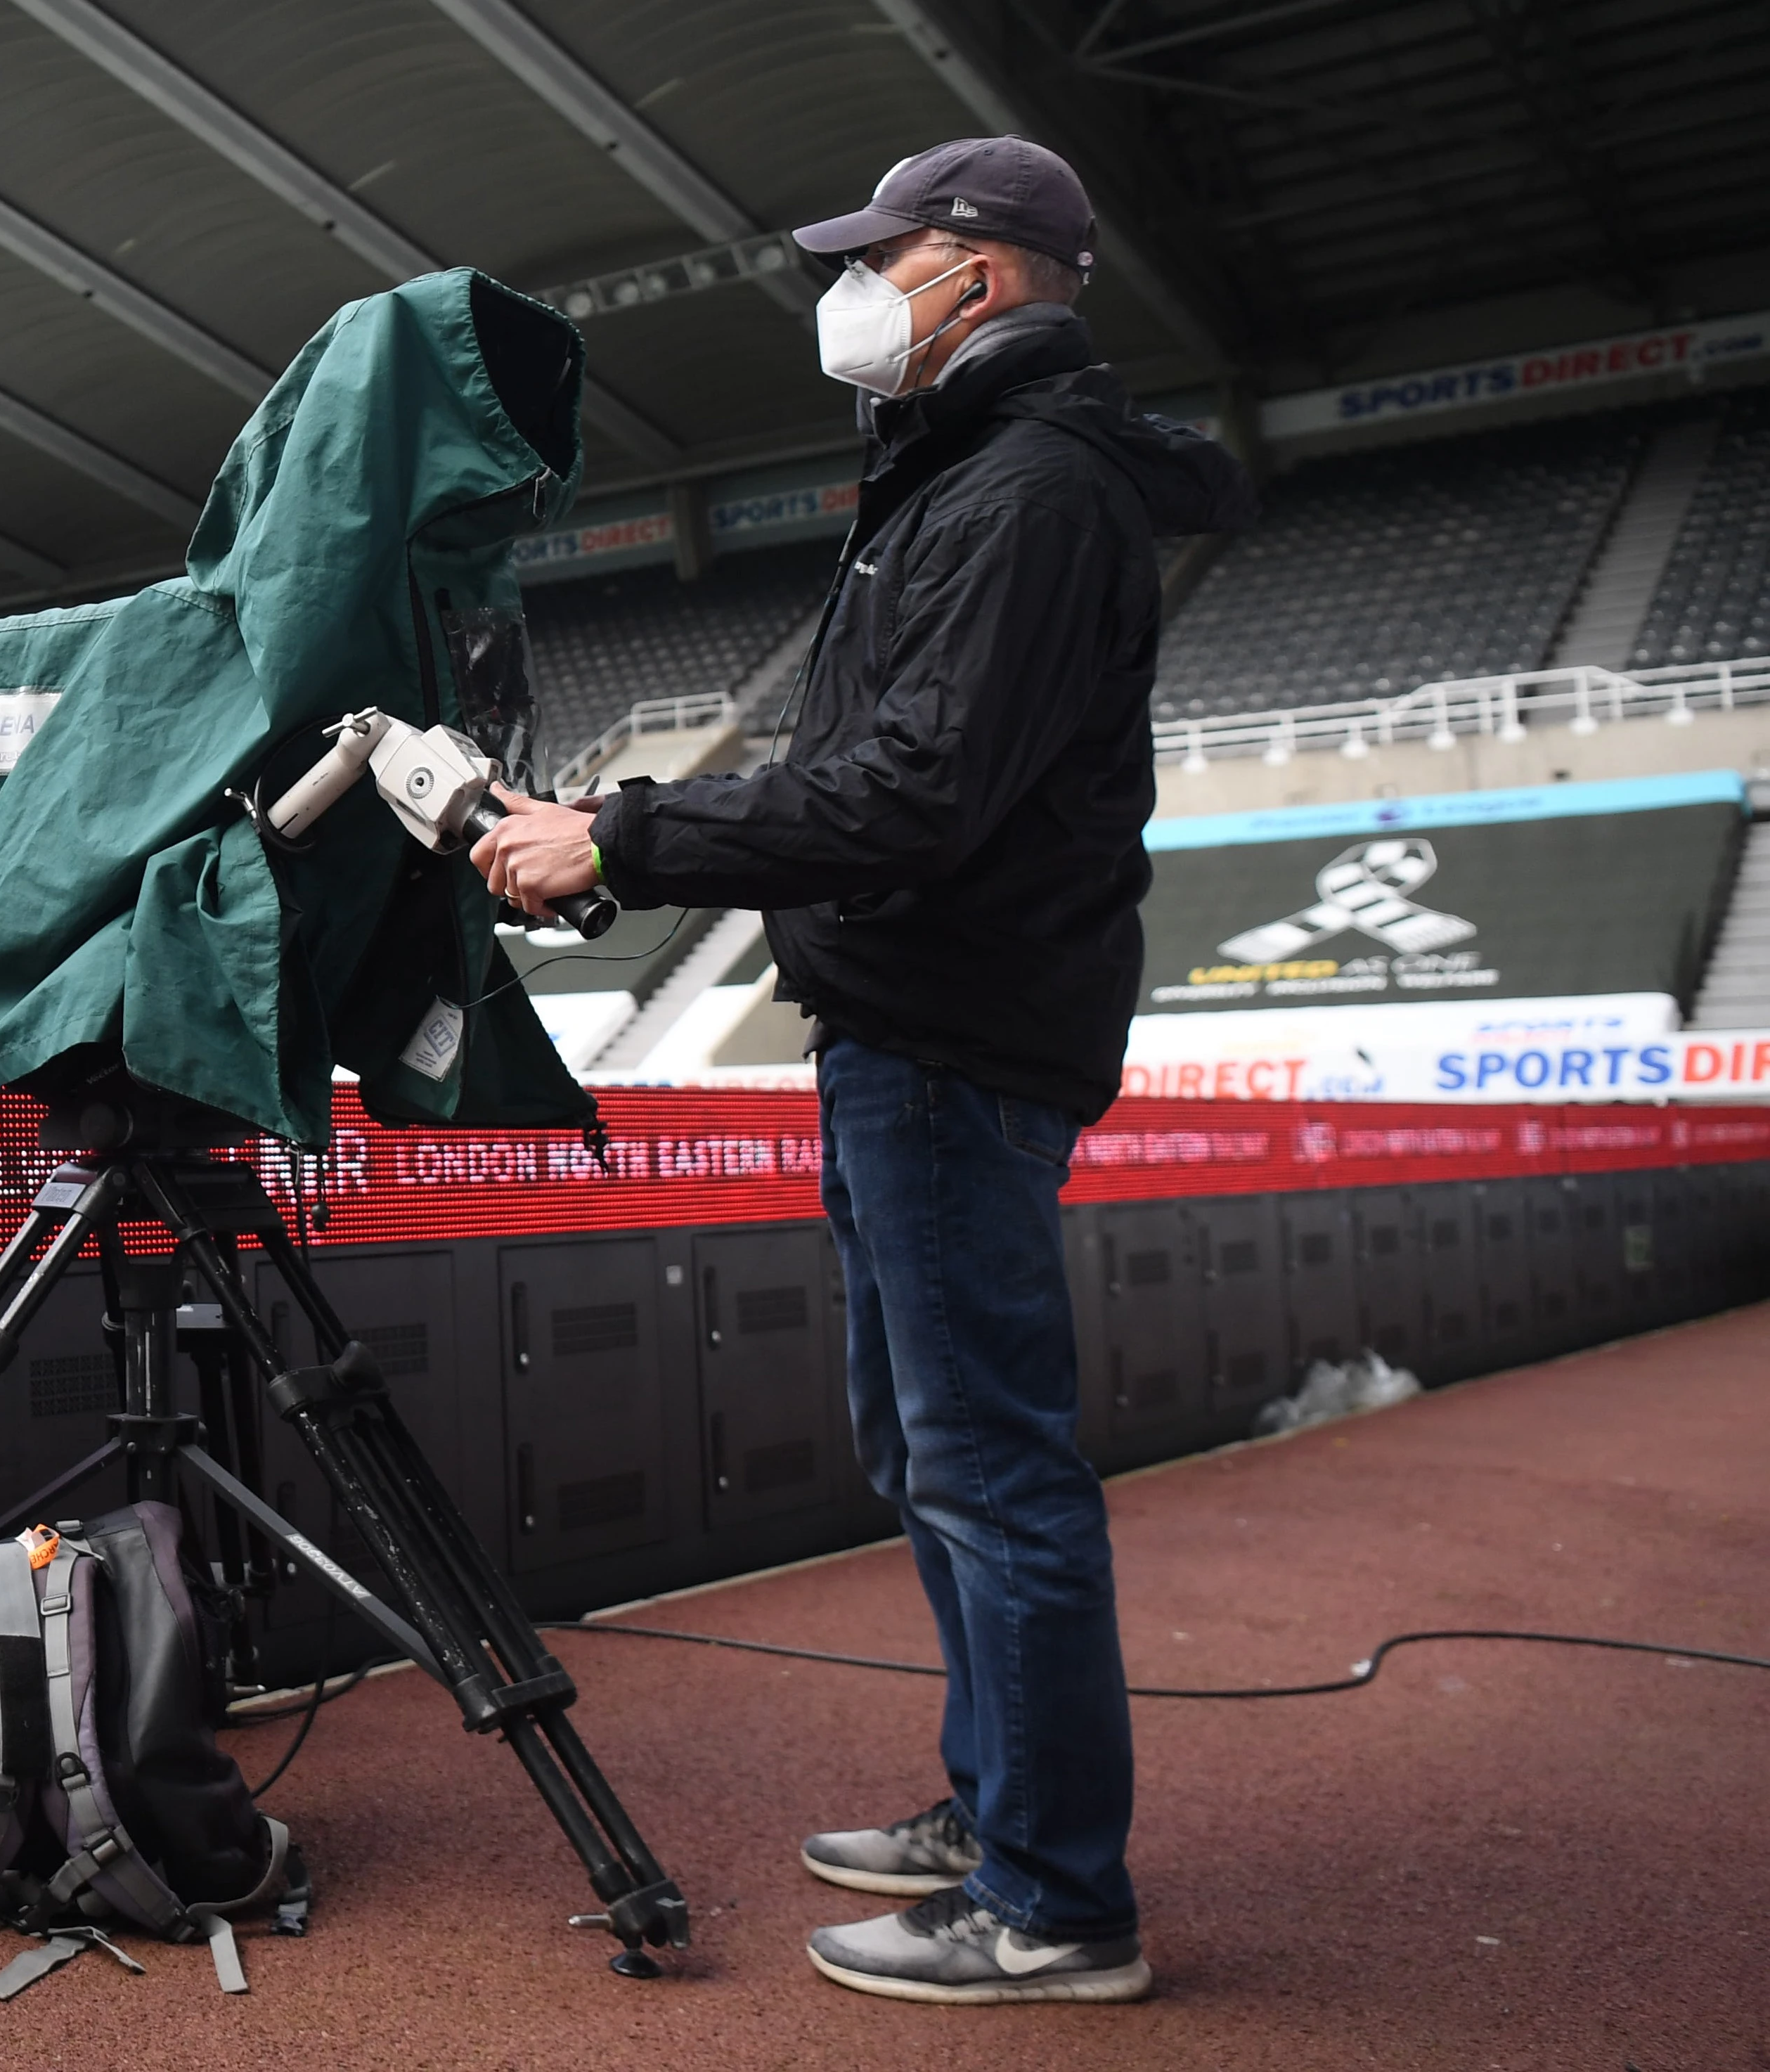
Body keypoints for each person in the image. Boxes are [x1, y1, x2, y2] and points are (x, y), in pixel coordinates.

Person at [470, 136, 1256, 2005]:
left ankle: (1054, 1905)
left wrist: (621, 840)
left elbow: (911, 796)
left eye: (876, 259)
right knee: (936, 1454)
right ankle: (999, 1813)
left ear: (974, 275)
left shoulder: (1026, 491)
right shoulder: (970, 476)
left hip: (952, 1039)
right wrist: (626, 846)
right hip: (915, 1028)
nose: (849, 291)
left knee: (989, 1471)